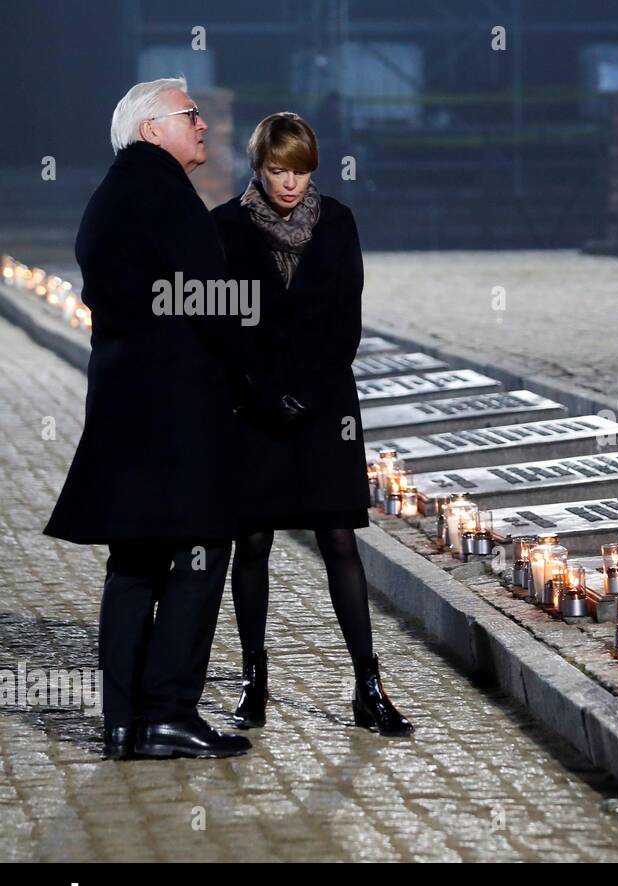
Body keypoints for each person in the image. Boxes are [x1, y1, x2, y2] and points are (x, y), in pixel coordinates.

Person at [44, 77, 252, 760]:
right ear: (150, 128)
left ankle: (121, 722)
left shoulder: (109, 197)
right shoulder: (165, 192)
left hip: (123, 407)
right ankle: (169, 711)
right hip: (179, 416)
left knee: (132, 564)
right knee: (201, 551)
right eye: (189, 116)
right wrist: (254, 375)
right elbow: (213, 303)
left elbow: (99, 290)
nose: (202, 126)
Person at [212, 113, 413, 736]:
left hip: (326, 409)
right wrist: (262, 392)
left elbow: (345, 321)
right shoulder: (224, 226)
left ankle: (368, 686)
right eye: (278, 171)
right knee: (252, 543)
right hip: (255, 410)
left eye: (300, 172)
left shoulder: (339, 222)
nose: (290, 184)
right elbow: (225, 322)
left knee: (341, 542)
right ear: (259, 167)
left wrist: (311, 391)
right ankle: (254, 680)